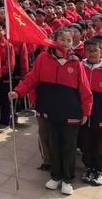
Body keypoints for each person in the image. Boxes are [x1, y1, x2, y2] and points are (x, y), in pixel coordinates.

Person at [9, 27, 92, 195]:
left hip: (71, 113)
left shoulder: (76, 63)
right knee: (52, 144)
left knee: (68, 146)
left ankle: (68, 179)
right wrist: (18, 91)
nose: (66, 44)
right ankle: (56, 176)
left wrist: (86, 112)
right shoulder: (42, 58)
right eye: (62, 40)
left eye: (69, 41)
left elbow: (85, 90)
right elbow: (31, 79)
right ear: (54, 40)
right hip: (49, 110)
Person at [79, 37, 102, 186]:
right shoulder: (80, 66)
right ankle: (88, 167)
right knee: (85, 141)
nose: (91, 53)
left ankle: (99, 170)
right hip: (83, 111)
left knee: (99, 143)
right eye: (88, 51)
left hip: (100, 111)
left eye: (95, 50)